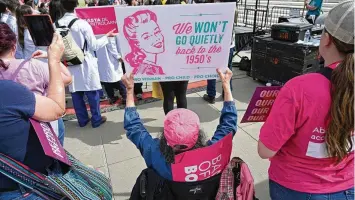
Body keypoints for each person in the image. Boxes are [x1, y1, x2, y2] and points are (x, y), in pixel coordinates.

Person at [258, 1, 354, 199]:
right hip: (347, 187)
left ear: (326, 39)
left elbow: (265, 150)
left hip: (295, 188)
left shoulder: (299, 89)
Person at [123, 68, 237, 180]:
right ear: (198, 134)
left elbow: (134, 127)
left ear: (165, 137)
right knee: (181, 95)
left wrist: (129, 90)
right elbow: (228, 125)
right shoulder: (213, 153)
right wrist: (226, 85)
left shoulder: (155, 156)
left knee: (168, 96)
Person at [0, 32, 66, 199]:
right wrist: (54, 60)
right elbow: (58, 107)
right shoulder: (9, 89)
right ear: (14, 46)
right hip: (26, 186)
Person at [0, 22, 72, 145]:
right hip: (44, 125)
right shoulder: (32, 66)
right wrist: (53, 59)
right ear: (14, 46)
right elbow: (66, 78)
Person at [58, 0, 116, 128]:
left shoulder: (56, 24)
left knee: (76, 93)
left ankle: (82, 120)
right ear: (76, 6)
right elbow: (94, 45)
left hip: (68, 63)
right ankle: (96, 119)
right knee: (92, 92)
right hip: (85, 61)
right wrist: (107, 37)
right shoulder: (82, 24)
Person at [91, 0, 127, 105]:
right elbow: (111, 44)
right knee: (118, 78)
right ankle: (124, 96)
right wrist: (118, 56)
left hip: (101, 56)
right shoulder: (107, 22)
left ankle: (111, 97)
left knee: (106, 79)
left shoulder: (95, 22)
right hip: (111, 56)